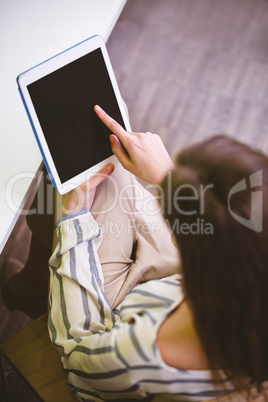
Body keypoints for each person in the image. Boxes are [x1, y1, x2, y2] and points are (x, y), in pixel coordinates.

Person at [48, 105, 268, 401]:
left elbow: (77, 355)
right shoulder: (244, 285)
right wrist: (168, 177)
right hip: (175, 282)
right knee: (110, 154)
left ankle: (25, 285)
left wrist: (72, 218)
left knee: (90, 171)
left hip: (114, 317)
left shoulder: (148, 353)